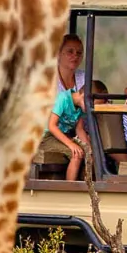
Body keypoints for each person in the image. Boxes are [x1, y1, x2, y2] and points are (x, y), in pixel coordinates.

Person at [38, 33, 92, 179]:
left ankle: (90, 183)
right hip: (49, 132)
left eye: (79, 53)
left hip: (77, 130)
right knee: (78, 152)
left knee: (93, 150)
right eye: (70, 51)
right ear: (58, 53)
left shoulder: (83, 77)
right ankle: (72, 186)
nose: (75, 56)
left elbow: (81, 120)